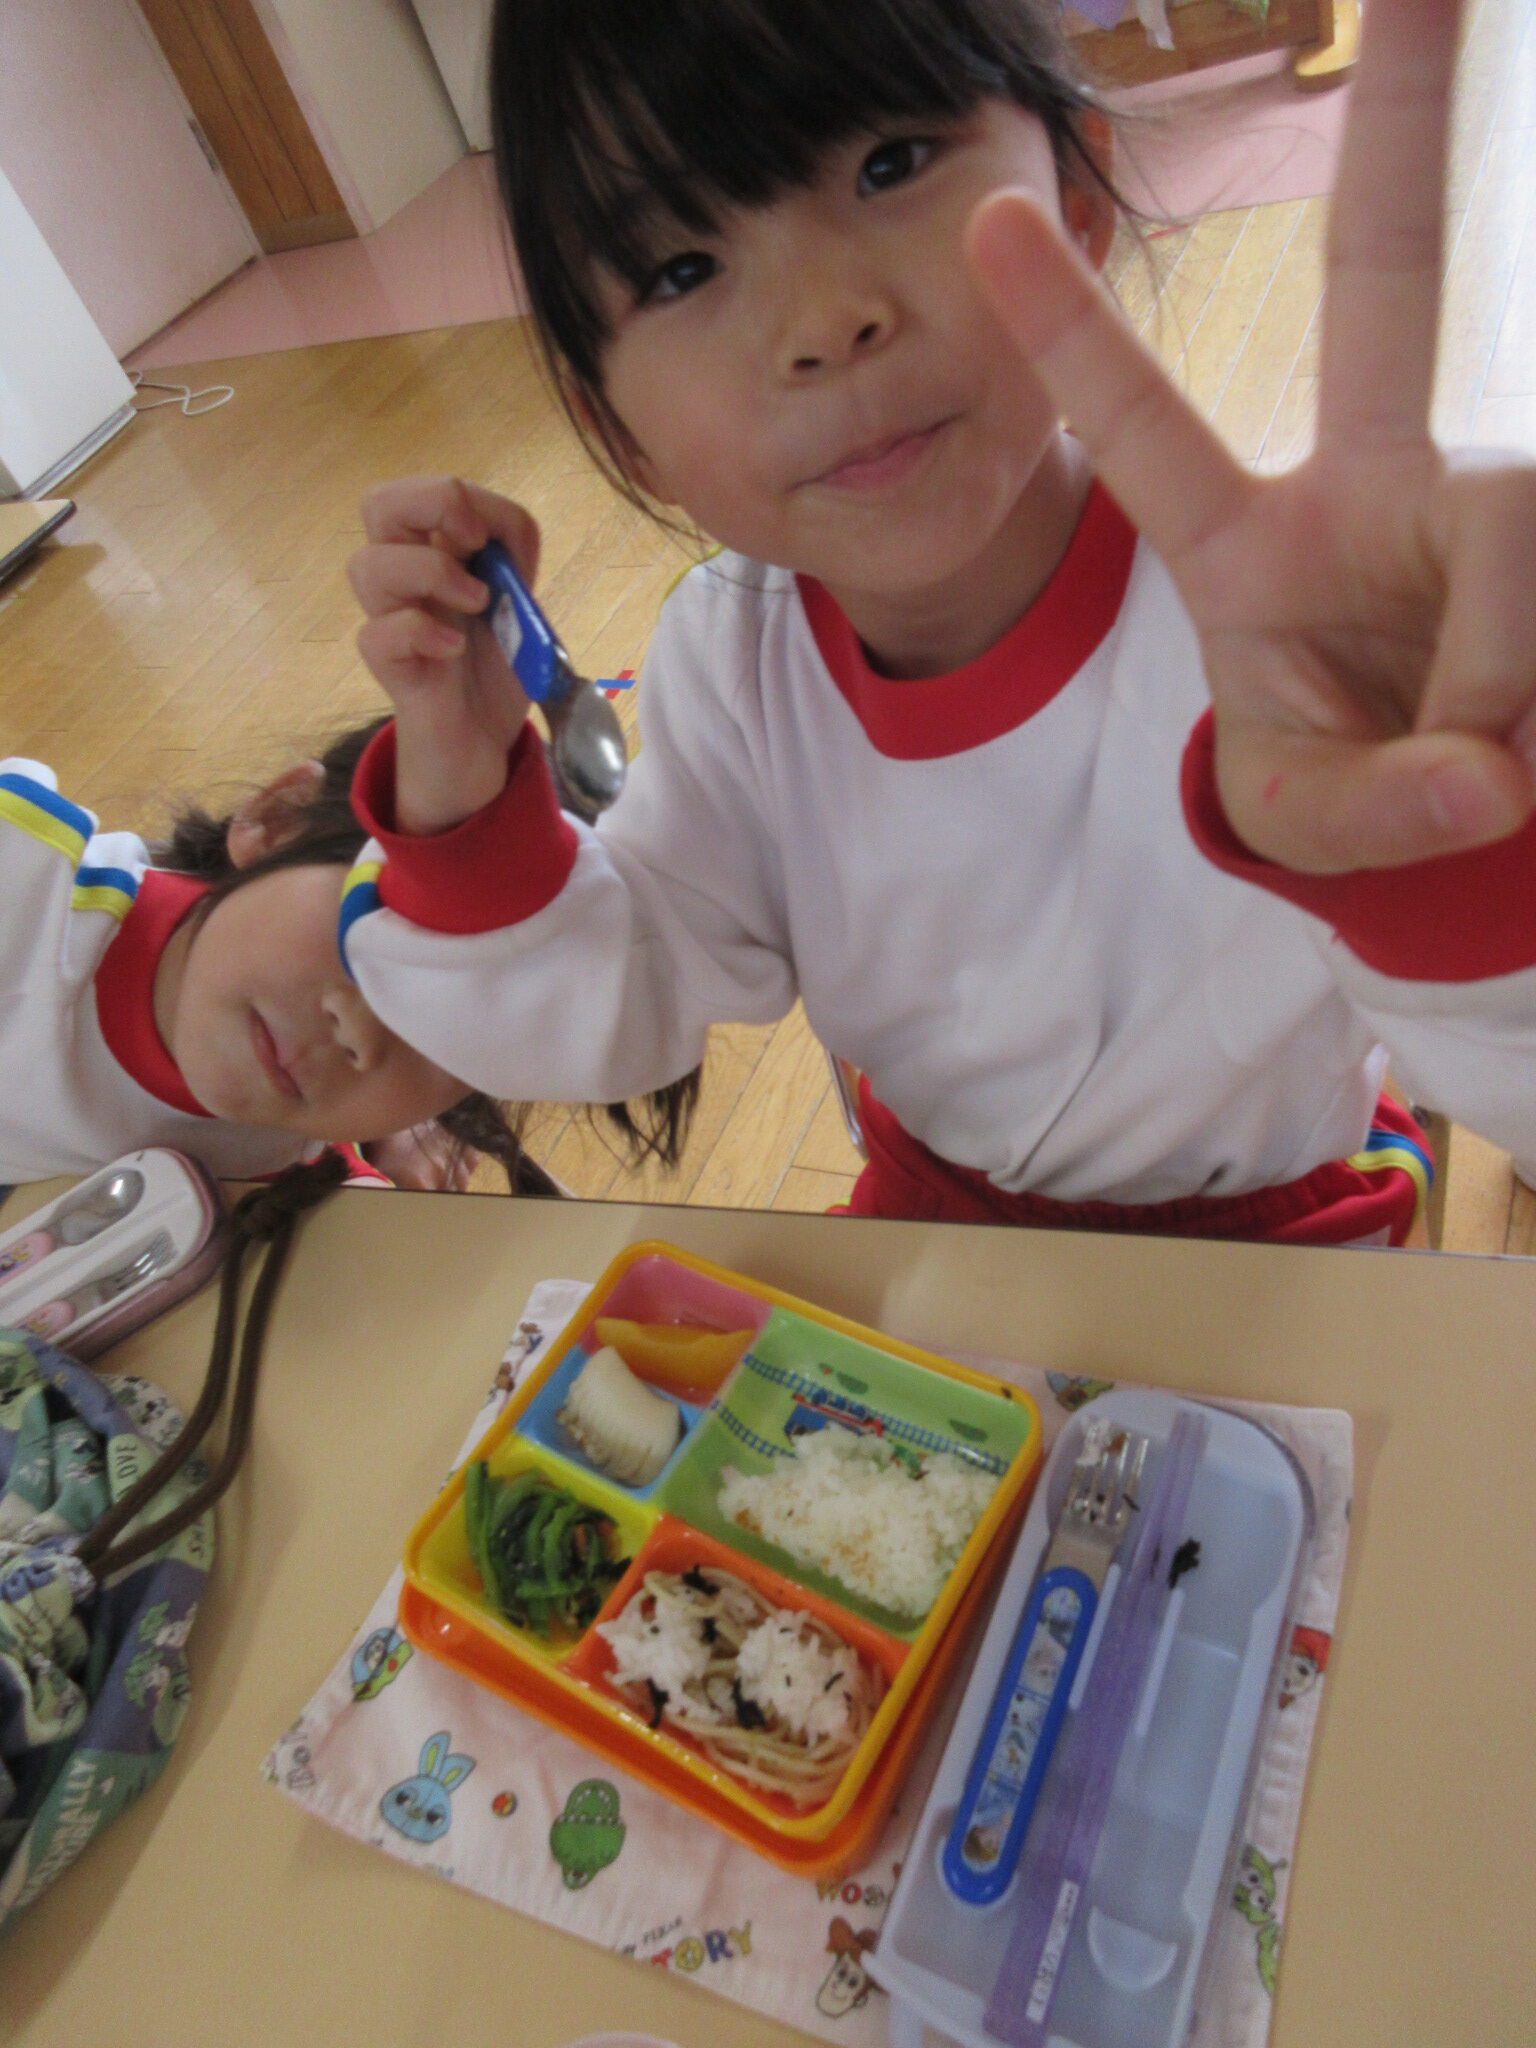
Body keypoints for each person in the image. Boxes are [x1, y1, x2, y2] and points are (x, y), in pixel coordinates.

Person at [340, 0, 1536, 1248]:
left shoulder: (1288, 639)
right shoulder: (734, 659)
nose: (822, 322)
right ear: (618, 429)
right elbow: (619, 995)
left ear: (1075, 200)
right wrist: (464, 796)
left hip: (1284, 1243)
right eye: (682, 268)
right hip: (937, 1232)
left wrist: (1454, 858)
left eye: (890, 163)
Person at [0, 722, 555, 1192]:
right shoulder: (18, 867)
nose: (360, 1031)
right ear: (280, 818)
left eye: (447, 1035)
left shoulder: (283, 1141)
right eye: (380, 932)